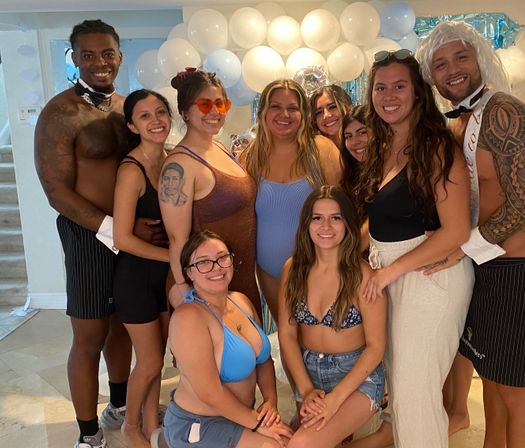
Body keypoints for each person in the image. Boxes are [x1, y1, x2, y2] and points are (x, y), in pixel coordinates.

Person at [417, 21, 525, 448]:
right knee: (493, 384)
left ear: (480, 57)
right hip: (487, 271)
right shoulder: (460, 122)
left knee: (514, 390)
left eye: (461, 56)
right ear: (431, 76)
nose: (452, 70)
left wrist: (463, 250)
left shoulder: (505, 112)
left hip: (517, 272)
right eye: (440, 64)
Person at [34, 19, 165, 448]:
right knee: (89, 335)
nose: (99, 63)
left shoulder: (128, 108)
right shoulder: (59, 113)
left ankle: (122, 404)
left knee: (124, 326)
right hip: (87, 236)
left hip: (131, 235)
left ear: (119, 56)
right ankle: (88, 433)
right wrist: (114, 230)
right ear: (74, 59)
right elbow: (56, 191)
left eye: (106, 53)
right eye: (87, 55)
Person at [358, 49, 474, 448]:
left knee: (415, 394)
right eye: (381, 87)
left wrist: (391, 270)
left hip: (429, 278)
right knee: (402, 391)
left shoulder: (436, 147)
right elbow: (381, 218)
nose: (389, 95)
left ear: (419, 93)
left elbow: (456, 229)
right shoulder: (382, 144)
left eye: (399, 86)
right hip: (391, 275)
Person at [278, 186, 386, 447]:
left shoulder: (363, 275)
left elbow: (376, 347)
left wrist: (335, 400)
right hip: (310, 374)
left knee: (302, 444)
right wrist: (305, 390)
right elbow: (287, 334)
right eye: (317, 218)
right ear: (307, 224)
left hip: (356, 377)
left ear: (348, 224)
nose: (326, 225)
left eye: (335, 218)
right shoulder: (293, 270)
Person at [164, 230, 293, 447]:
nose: (216, 268)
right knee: (276, 444)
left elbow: (263, 360)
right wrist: (257, 424)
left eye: (222, 258)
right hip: (201, 424)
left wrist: (270, 402)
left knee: (293, 440)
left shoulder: (240, 301)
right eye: (203, 263)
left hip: (240, 416)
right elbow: (209, 393)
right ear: (189, 273)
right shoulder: (188, 318)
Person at [159, 69, 260, 316]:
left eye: (220, 103)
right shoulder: (179, 165)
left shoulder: (220, 146)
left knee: (250, 352)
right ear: (185, 111)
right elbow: (176, 238)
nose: (215, 112)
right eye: (204, 105)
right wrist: (184, 288)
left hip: (240, 276)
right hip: (206, 284)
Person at [243, 79, 342, 323]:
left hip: (319, 268)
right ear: (263, 112)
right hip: (269, 272)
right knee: (288, 343)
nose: (284, 114)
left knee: (320, 342)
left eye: (293, 107)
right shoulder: (250, 156)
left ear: (303, 114)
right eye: (276, 106)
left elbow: (344, 211)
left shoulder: (322, 150)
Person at [112, 89, 172, 447]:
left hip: (162, 277)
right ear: (133, 125)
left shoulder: (170, 161)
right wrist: (172, 258)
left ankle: (152, 424)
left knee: (158, 359)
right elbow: (122, 237)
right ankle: (130, 426)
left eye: (161, 112)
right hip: (135, 277)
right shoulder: (131, 169)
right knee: (148, 362)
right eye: (146, 116)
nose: (156, 121)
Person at [310, 84, 353, 149]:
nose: (326, 115)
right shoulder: (314, 152)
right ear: (314, 120)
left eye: (332, 107)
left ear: (346, 107)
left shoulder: (364, 143)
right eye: (318, 112)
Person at [340, 105, 369, 200]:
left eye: (362, 132)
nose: (355, 142)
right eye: (348, 136)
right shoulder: (351, 177)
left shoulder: (391, 174)